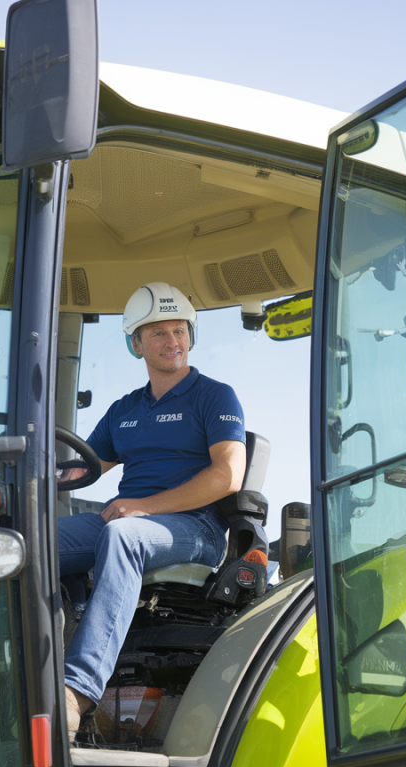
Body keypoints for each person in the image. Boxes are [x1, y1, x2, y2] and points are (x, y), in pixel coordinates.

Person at [58, 282, 247, 741]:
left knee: (123, 536)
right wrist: (29, 472)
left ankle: (77, 691)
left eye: (180, 330)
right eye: (159, 333)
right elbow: (81, 468)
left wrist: (143, 507)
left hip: (195, 527)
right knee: (31, 541)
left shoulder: (215, 396)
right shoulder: (124, 410)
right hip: (127, 519)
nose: (173, 341)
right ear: (136, 344)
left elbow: (227, 476)